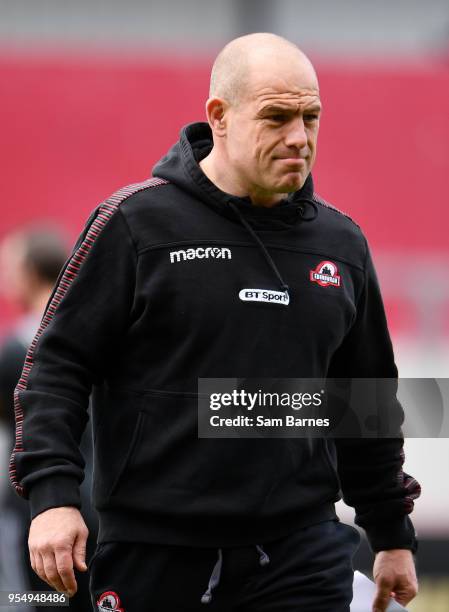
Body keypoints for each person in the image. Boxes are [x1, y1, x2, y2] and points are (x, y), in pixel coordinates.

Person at [9, 33, 420, 612]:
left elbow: (367, 401)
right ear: (219, 116)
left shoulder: (342, 243)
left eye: (310, 117)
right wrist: (52, 497)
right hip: (155, 550)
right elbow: (54, 370)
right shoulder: (133, 223)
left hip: (302, 550)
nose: (299, 138)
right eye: (277, 117)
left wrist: (391, 534)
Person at [0, 226, 98, 612]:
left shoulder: (15, 349)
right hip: (97, 501)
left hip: (37, 510)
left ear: (28, 272)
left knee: (39, 601)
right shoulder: (99, 333)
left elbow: (10, 433)